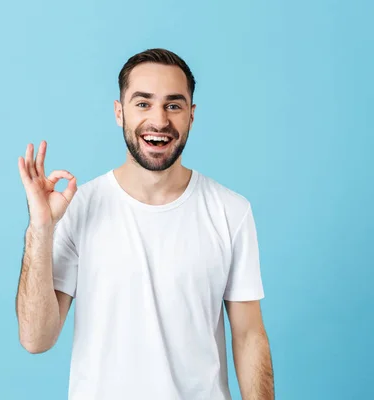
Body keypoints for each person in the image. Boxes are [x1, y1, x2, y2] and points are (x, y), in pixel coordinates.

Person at [16, 48, 274, 400]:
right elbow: (36, 339)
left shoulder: (231, 211)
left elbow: (249, 337)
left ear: (191, 116)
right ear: (119, 113)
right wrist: (40, 230)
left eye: (173, 105)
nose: (159, 120)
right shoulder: (80, 208)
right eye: (143, 104)